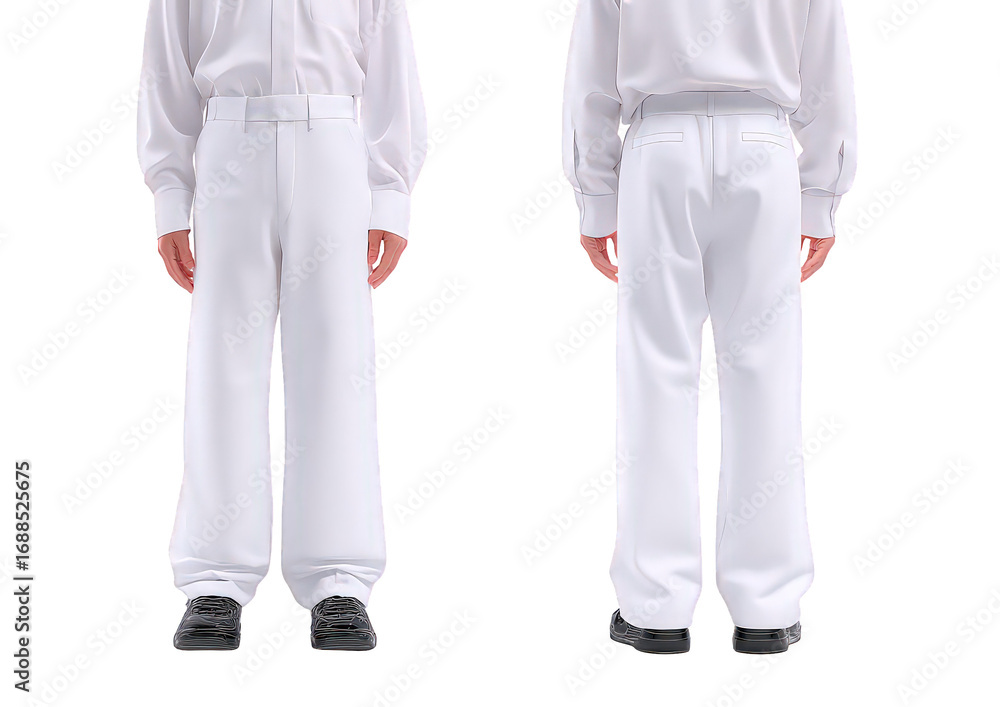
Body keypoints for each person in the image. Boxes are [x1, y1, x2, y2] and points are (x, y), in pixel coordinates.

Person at [563, 0, 856, 654]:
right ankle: (767, 605)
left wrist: (595, 195)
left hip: (660, 144)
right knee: (764, 372)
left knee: (656, 373)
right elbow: (825, 64)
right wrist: (821, 193)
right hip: (764, 143)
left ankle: (656, 604)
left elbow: (592, 69)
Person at [137, 0, 426, 651]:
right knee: (223, 363)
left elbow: (390, 59)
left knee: (336, 360)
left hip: (332, 139)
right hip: (228, 139)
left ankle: (339, 576)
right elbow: (166, 66)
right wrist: (170, 195)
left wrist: (390, 193)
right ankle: (214, 575)